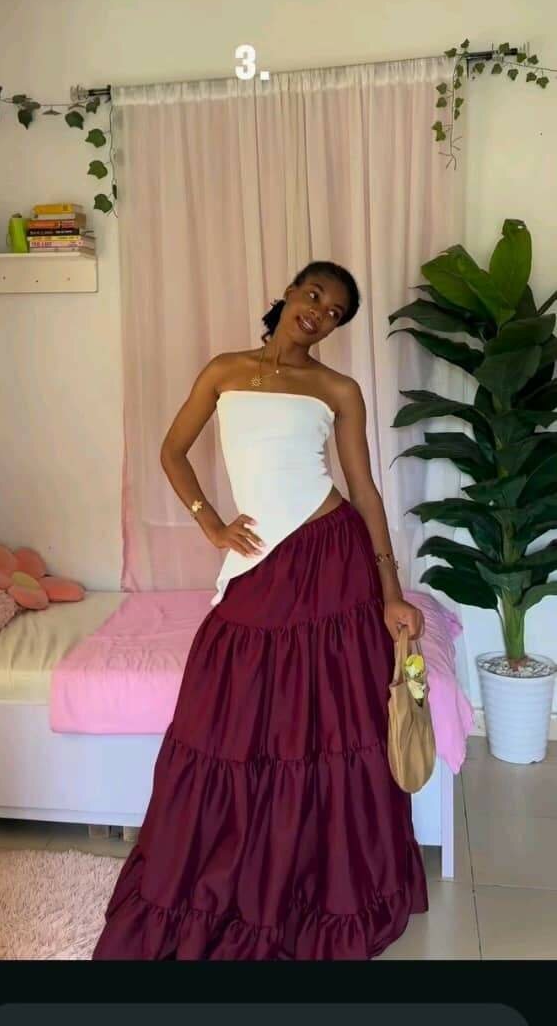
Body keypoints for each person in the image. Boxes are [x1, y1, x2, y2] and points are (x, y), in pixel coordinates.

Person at [92, 260, 428, 961]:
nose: (319, 312)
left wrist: (390, 591)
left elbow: (364, 490)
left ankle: (313, 881)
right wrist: (210, 523)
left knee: (330, 723)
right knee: (225, 710)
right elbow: (172, 451)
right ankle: (233, 872)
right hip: (258, 563)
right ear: (288, 293)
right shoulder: (225, 370)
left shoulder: (336, 389)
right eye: (314, 295)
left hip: (330, 556)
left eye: (334, 312)